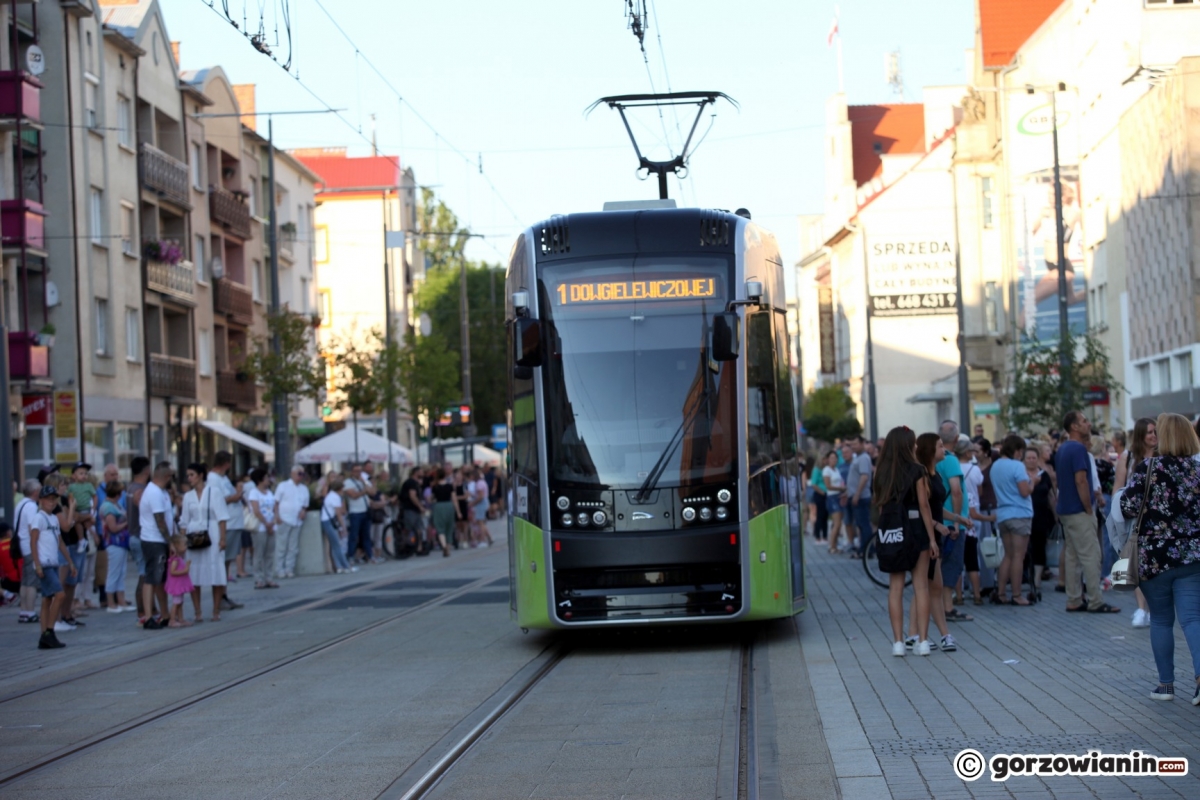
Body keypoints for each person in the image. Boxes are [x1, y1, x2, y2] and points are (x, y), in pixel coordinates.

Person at [1118, 413, 1200, 703]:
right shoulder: (1197, 470)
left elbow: (1127, 506)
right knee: (1192, 619)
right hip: (1191, 555)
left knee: (1161, 621)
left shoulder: (1148, 468)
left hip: (1154, 557)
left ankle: (1166, 685)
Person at [874, 426, 939, 657]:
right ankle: (922, 641)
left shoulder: (881, 472)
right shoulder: (917, 470)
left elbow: (881, 507)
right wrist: (932, 540)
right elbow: (924, 506)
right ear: (908, 445)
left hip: (893, 531)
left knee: (895, 587)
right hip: (916, 531)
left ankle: (898, 643)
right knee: (921, 586)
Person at [1057, 411, 1119, 614]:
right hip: (1079, 510)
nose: (1088, 424)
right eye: (1084, 421)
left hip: (1065, 510)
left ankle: (1074, 598)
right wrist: (1087, 507)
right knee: (1091, 554)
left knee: (1073, 555)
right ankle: (1095, 600)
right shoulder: (1078, 449)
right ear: (1074, 427)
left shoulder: (1063, 448)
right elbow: (1081, 480)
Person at [905, 432, 957, 652]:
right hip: (925, 536)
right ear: (929, 451)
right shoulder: (923, 475)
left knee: (928, 586)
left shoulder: (934, 475)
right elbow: (921, 508)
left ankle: (914, 634)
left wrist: (958, 519)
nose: (944, 449)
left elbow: (935, 507)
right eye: (939, 446)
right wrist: (937, 527)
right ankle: (932, 635)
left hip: (934, 534)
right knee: (928, 586)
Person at [1115, 418, 1157, 628]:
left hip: (1158, 521)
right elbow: (1118, 488)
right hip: (1135, 520)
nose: (1153, 436)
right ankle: (1142, 608)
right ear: (1141, 435)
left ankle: (1151, 608)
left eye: (1155, 432)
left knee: (1154, 567)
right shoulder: (1129, 458)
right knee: (1137, 565)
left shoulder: (1163, 456)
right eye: (1149, 432)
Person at [180, 463, 229, 622]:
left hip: (212, 533)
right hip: (193, 535)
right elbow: (184, 521)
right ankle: (198, 611)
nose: (189, 478)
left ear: (201, 475)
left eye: (192, 474)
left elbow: (222, 516)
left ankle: (216, 610)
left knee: (216, 570)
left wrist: (223, 538)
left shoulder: (214, 492)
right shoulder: (188, 496)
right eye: (188, 475)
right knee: (194, 573)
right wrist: (181, 541)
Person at [990, 435, 1035, 605]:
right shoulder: (1017, 466)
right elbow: (1024, 491)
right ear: (1017, 450)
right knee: (1018, 556)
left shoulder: (995, 466)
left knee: (1008, 555)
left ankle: (1001, 593)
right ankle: (1017, 595)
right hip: (1019, 513)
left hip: (1002, 513)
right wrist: (1033, 483)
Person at [30, 485, 75, 649]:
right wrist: (38, 564)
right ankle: (50, 630)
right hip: (45, 564)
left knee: (47, 599)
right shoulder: (39, 518)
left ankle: (44, 636)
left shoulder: (54, 519)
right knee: (60, 595)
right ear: (41, 500)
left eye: (53, 499)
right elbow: (33, 541)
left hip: (54, 562)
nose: (51, 502)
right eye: (48, 499)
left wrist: (70, 561)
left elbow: (60, 542)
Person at [138, 463, 176, 629]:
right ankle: (148, 617)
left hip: (158, 539)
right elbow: (160, 521)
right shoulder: (153, 492)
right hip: (153, 540)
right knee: (152, 577)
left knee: (160, 579)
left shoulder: (161, 492)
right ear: (167, 477)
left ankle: (165, 614)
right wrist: (170, 542)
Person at [1029, 443, 1057, 603]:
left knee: (1040, 546)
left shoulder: (1044, 475)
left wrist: (1055, 514)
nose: (1032, 461)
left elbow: (1051, 496)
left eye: (1034, 458)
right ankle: (1027, 576)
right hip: (1025, 515)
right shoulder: (1020, 474)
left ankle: (1037, 579)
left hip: (1041, 515)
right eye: (1029, 458)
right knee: (1027, 548)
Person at [125, 457, 151, 620]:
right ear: (146, 470)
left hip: (134, 535)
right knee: (144, 575)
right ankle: (143, 612)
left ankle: (148, 609)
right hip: (141, 535)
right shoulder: (140, 490)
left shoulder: (130, 487)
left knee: (144, 574)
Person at [99, 481, 132, 613]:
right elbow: (112, 528)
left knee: (121, 572)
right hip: (114, 543)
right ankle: (111, 603)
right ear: (117, 494)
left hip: (122, 543)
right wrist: (126, 524)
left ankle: (121, 600)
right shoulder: (108, 507)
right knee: (113, 572)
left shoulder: (115, 504)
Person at [273, 466, 310, 579]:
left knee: (293, 547)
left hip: (297, 520)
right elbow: (276, 503)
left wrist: (303, 511)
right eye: (299, 473)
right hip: (284, 518)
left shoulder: (304, 488)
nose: (301, 476)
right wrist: (277, 516)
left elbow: (305, 505)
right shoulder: (283, 486)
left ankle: (289, 568)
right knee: (281, 545)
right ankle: (279, 569)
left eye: (302, 474)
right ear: (292, 474)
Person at [14, 479, 42, 624]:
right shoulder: (31, 506)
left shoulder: (20, 504)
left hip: (22, 546)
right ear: (35, 491)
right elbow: (33, 528)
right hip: (30, 547)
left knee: (24, 582)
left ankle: (24, 611)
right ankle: (30, 611)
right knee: (32, 582)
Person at [246, 468, 279, 589]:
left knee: (269, 553)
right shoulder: (254, 493)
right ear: (259, 480)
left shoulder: (269, 492)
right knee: (259, 553)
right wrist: (266, 523)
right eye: (266, 478)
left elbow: (275, 507)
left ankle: (269, 577)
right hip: (260, 527)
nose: (268, 480)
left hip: (271, 525)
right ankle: (259, 579)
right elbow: (256, 510)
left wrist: (273, 521)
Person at [843, 436, 874, 559]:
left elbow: (864, 477)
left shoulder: (863, 458)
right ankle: (866, 549)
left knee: (863, 525)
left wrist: (856, 494)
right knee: (861, 525)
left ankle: (865, 551)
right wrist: (847, 493)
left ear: (862, 444)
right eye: (852, 445)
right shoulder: (859, 458)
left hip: (861, 497)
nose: (853, 447)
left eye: (856, 444)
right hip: (856, 496)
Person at [320, 477, 355, 574]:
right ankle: (345, 565)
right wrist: (343, 527)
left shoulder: (330, 496)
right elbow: (339, 514)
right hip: (329, 521)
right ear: (339, 489)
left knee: (335, 545)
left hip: (327, 521)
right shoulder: (335, 497)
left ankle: (339, 566)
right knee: (337, 545)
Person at [343, 463, 372, 563]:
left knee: (366, 536)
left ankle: (370, 556)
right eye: (356, 471)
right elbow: (353, 495)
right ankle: (350, 555)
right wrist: (364, 491)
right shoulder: (348, 482)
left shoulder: (362, 482)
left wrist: (365, 483)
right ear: (351, 472)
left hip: (365, 511)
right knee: (354, 536)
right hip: (355, 512)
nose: (358, 473)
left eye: (360, 471)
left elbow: (372, 491)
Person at [164, 533, 195, 628]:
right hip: (176, 585)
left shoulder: (179, 558)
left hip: (179, 584)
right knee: (176, 602)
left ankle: (181, 619)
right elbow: (172, 572)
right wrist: (186, 568)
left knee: (180, 602)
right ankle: (172, 620)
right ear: (177, 546)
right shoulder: (175, 559)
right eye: (184, 544)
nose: (186, 546)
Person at [429, 468, 459, 556]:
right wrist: (458, 511)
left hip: (438, 506)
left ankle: (443, 545)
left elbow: (432, 498)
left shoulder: (435, 487)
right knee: (449, 527)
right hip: (449, 506)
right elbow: (454, 499)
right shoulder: (450, 486)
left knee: (440, 528)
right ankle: (448, 548)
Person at [822, 451, 846, 554]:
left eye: (835, 458)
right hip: (832, 497)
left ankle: (835, 545)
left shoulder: (836, 469)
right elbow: (828, 486)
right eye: (832, 458)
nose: (834, 460)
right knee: (837, 523)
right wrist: (841, 488)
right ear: (828, 459)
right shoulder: (826, 470)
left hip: (838, 496)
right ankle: (831, 546)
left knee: (838, 523)